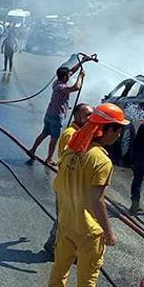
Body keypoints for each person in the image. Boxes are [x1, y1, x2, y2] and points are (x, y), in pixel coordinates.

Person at [45, 103, 129, 287]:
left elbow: (58, 185)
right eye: (118, 129)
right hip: (88, 231)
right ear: (107, 130)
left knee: (60, 265)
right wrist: (108, 233)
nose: (119, 135)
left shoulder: (72, 149)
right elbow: (96, 200)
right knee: (87, 279)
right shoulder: (101, 160)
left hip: (66, 223)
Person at [43, 103, 94, 253]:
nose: (90, 118)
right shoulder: (71, 134)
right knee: (65, 217)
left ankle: (57, 244)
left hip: (71, 184)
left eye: (92, 114)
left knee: (68, 217)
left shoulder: (79, 133)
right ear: (77, 116)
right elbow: (70, 158)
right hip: (68, 184)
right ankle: (53, 244)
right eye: (87, 115)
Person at [28, 64, 86, 165]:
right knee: (54, 138)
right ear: (64, 77)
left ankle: (32, 150)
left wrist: (82, 62)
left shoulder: (56, 82)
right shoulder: (62, 87)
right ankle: (49, 159)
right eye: (68, 75)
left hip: (49, 113)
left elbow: (71, 70)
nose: (70, 75)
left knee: (44, 133)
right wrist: (81, 76)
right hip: (56, 116)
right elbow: (77, 87)